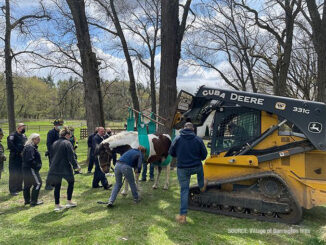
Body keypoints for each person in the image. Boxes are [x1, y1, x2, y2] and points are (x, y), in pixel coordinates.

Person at [168, 122, 208, 224]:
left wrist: (180, 154)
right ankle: (202, 185)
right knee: (201, 173)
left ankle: (183, 216)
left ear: (183, 128)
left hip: (182, 168)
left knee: (184, 191)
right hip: (196, 166)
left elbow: (171, 152)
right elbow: (204, 155)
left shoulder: (177, 139)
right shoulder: (198, 139)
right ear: (193, 129)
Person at [47, 127, 81, 211]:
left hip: (55, 167)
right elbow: (71, 157)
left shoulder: (55, 143)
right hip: (65, 168)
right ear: (66, 135)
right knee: (71, 182)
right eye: (70, 135)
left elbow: (51, 155)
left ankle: (57, 205)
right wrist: (76, 166)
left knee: (57, 186)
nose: (70, 137)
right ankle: (69, 201)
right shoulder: (67, 143)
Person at [22, 133, 43, 206]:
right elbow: (29, 159)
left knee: (27, 184)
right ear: (33, 139)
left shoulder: (29, 147)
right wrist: (36, 166)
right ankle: (34, 201)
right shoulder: (30, 147)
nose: (39, 140)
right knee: (38, 183)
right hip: (31, 169)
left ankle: (27, 201)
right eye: (38, 139)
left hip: (26, 168)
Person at [7, 123, 27, 195]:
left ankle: (19, 187)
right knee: (14, 173)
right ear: (18, 128)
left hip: (22, 157)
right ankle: (13, 189)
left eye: (24, 127)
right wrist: (19, 152)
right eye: (22, 127)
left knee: (21, 172)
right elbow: (10, 145)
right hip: (14, 157)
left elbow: (26, 144)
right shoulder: (12, 135)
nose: (24, 129)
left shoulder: (24, 135)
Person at [45, 119, 64, 190]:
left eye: (61, 125)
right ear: (55, 125)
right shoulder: (51, 132)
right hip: (53, 154)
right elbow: (49, 144)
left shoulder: (61, 133)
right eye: (59, 125)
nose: (60, 126)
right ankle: (48, 184)